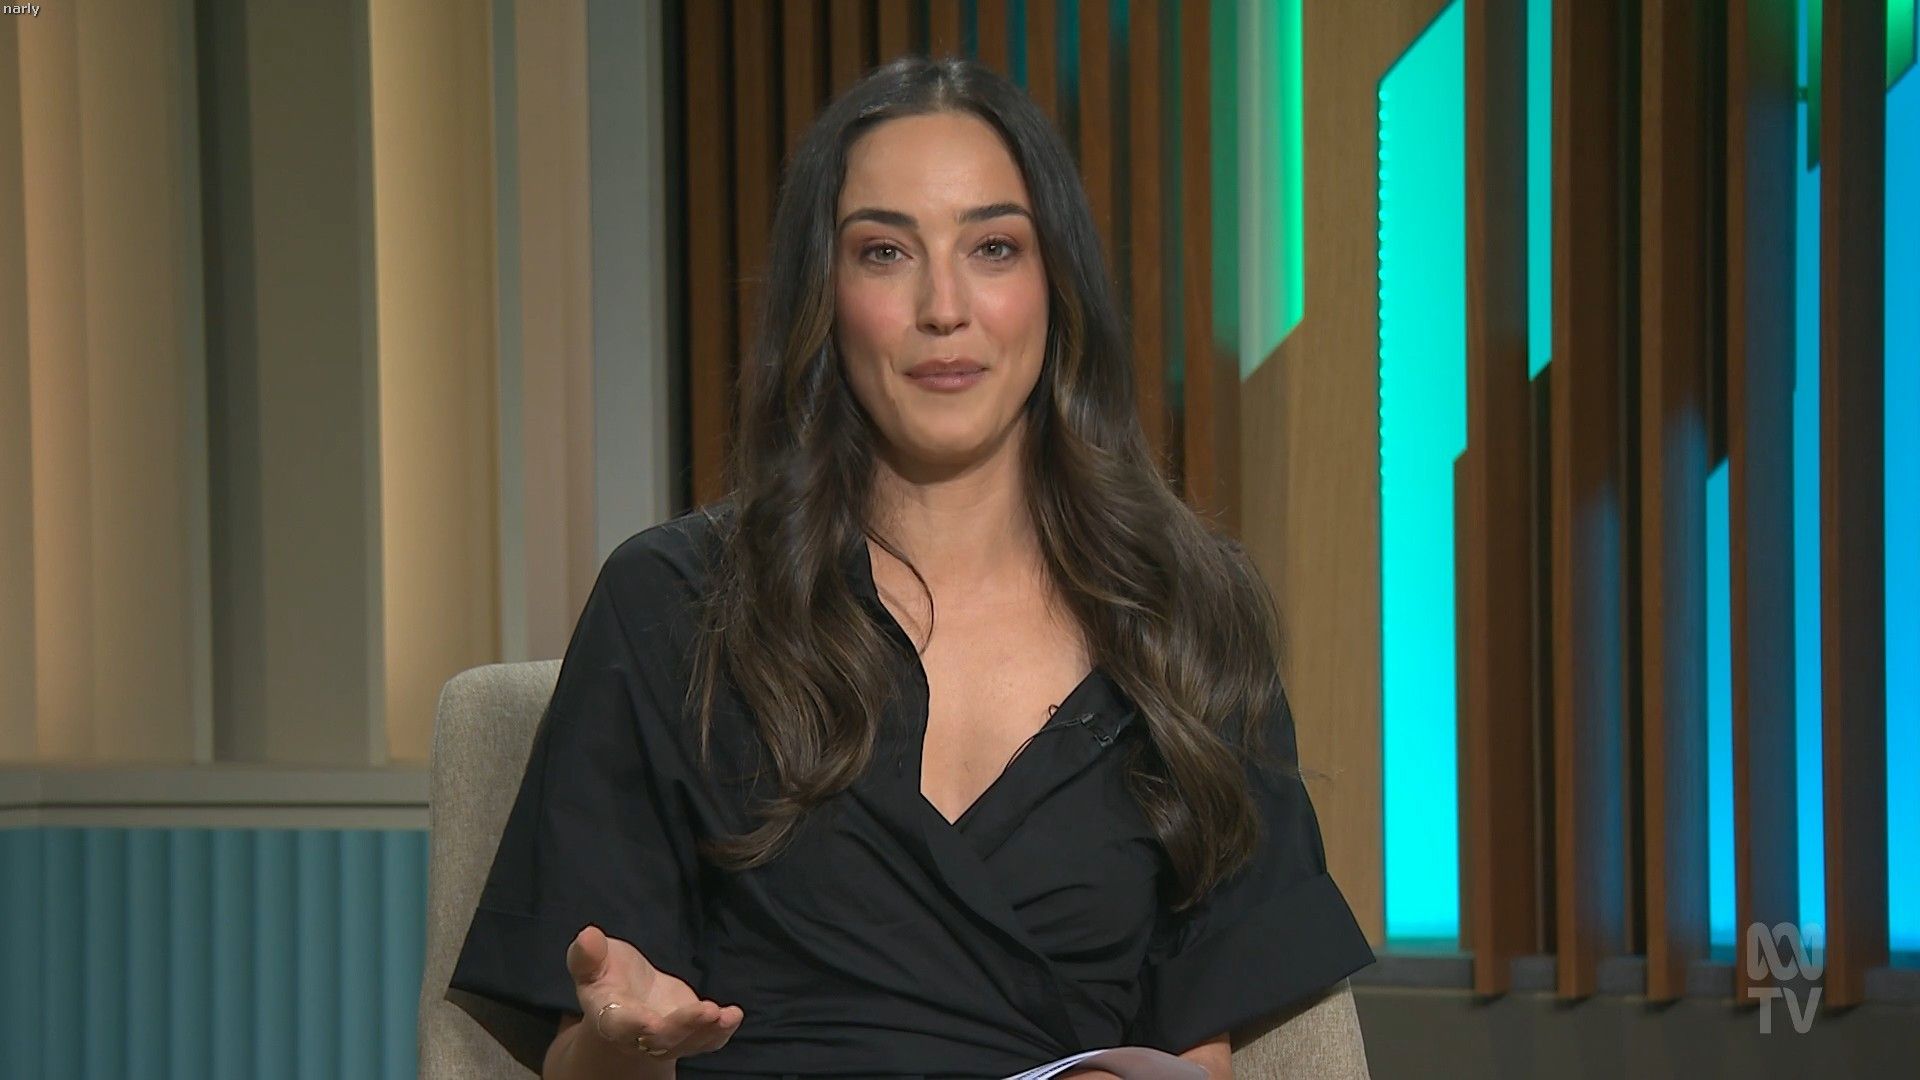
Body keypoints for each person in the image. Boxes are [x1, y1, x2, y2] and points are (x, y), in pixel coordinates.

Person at [447, 54, 1374, 1080]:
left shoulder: (1183, 618)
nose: (944, 306)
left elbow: (1202, 1042)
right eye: (885, 252)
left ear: (1055, 284)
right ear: (826, 295)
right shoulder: (675, 605)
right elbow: (582, 1055)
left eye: (993, 247)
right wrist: (622, 1045)